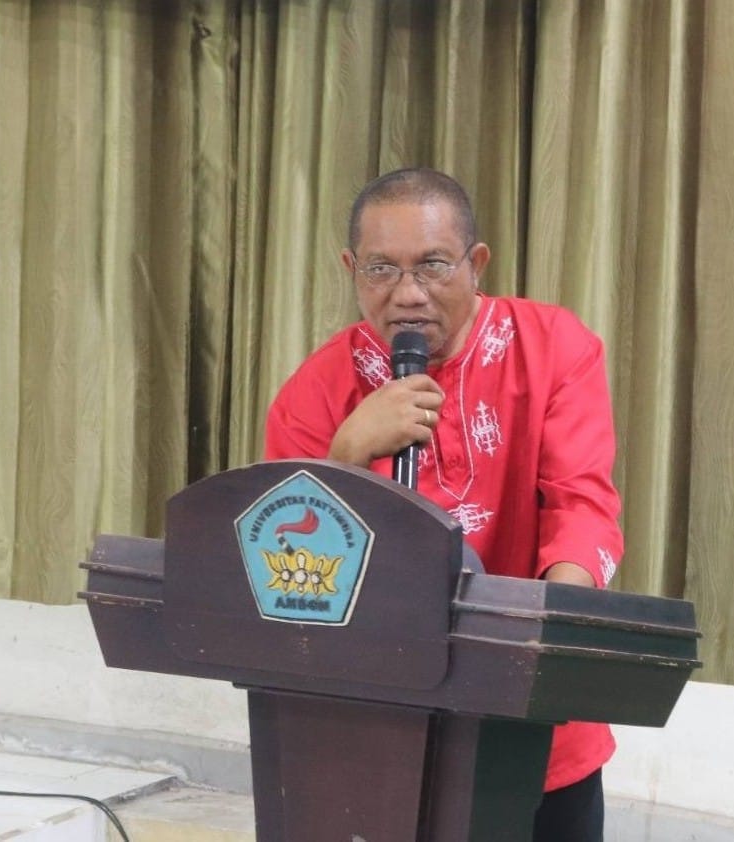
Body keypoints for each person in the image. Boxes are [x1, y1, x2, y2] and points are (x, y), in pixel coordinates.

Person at [263, 167, 622, 841]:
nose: (407, 294)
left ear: (475, 263)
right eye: (381, 269)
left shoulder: (553, 347)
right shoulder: (317, 389)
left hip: (535, 720)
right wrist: (346, 455)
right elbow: (289, 570)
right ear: (351, 270)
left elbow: (581, 504)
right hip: (377, 727)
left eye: (432, 266)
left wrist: (552, 638)